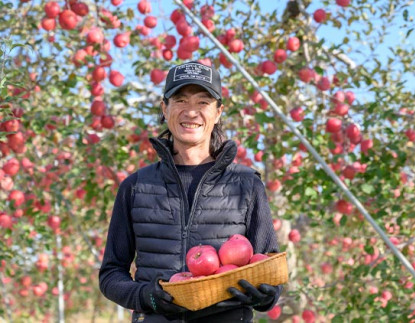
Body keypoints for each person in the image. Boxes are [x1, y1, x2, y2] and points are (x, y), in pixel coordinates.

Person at [99, 61, 282, 322]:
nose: (192, 112)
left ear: (218, 112)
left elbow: (269, 266)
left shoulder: (246, 184)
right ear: (165, 109)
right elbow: (111, 274)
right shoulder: (136, 187)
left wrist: (266, 295)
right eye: (181, 101)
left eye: (203, 102)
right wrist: (147, 297)